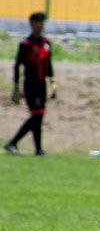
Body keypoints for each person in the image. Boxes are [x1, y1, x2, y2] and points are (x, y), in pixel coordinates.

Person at [5, 12, 55, 156]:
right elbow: (17, 66)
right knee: (37, 115)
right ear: (32, 24)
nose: (40, 25)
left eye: (42, 22)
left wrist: (53, 82)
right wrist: (16, 86)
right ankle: (14, 143)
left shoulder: (46, 43)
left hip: (42, 84)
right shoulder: (26, 44)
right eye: (37, 22)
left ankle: (37, 149)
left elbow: (48, 64)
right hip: (30, 83)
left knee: (39, 115)